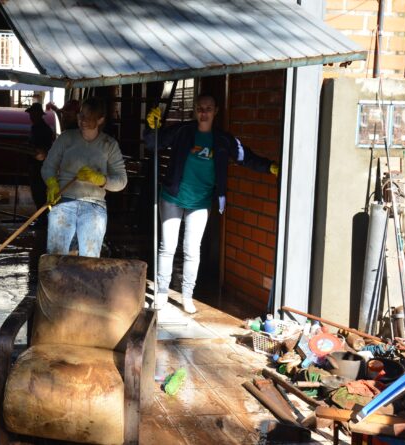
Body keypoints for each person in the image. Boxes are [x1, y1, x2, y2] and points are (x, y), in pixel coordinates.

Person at [145, 94, 278, 314]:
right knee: (167, 248)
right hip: (173, 197)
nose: (203, 112)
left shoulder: (223, 140)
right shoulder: (183, 131)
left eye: (208, 108)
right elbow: (153, 143)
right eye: (199, 108)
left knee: (191, 250)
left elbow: (246, 157)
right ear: (194, 110)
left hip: (200, 201)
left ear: (215, 111)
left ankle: (187, 296)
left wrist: (269, 167)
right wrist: (152, 127)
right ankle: (161, 293)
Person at [41, 97, 127, 257]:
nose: (82, 121)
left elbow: (121, 181)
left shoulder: (109, 144)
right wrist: (52, 183)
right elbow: (48, 166)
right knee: (55, 257)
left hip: (94, 206)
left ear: (100, 120)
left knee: (89, 259)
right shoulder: (67, 138)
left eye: (88, 118)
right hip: (64, 201)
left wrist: (100, 180)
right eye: (81, 116)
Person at [25, 103, 54, 213]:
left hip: (39, 166)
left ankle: (42, 217)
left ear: (38, 115)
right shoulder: (39, 127)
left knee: (39, 192)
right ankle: (42, 217)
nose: (31, 117)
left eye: (32, 114)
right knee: (37, 192)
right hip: (36, 165)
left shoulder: (41, 129)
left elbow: (44, 148)